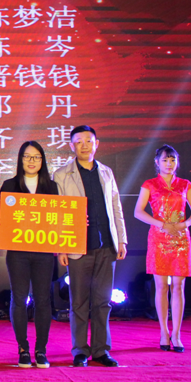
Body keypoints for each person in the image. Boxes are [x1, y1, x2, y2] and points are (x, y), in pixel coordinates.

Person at [53, 126, 127, 367]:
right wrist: (61, 247)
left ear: (97, 144)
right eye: (78, 141)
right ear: (71, 146)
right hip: (78, 246)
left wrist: (122, 239)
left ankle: (101, 350)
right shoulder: (62, 174)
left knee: (103, 301)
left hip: (106, 245)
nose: (84, 145)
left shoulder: (106, 172)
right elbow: (58, 212)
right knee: (79, 302)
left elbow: (116, 206)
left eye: (88, 140)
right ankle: (80, 351)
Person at [0, 141, 59, 368]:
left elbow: (60, 218)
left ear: (42, 160)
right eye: (27, 156)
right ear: (20, 159)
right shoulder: (9, 185)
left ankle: (41, 349)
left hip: (44, 253)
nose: (31, 161)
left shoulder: (51, 187)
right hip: (17, 253)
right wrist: (1, 222)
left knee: (43, 300)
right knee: (19, 298)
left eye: (36, 157)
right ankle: (23, 348)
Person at [133, 145, 191, 353]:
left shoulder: (185, 185)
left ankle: (177, 334)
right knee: (161, 286)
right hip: (159, 238)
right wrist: (161, 224)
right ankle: (163, 331)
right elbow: (138, 212)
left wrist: (184, 224)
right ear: (157, 162)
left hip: (180, 239)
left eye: (172, 160)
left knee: (178, 287)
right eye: (165, 160)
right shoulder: (150, 184)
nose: (169, 164)